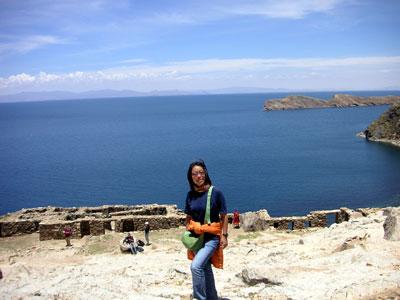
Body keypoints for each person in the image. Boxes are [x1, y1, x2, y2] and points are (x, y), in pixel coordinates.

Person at [184, 159, 228, 300]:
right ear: (191, 177)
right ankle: (212, 297)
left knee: (196, 267)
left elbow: (224, 215)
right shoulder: (190, 195)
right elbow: (188, 216)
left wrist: (224, 235)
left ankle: (199, 298)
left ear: (205, 174)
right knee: (206, 269)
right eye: (195, 174)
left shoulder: (216, 193)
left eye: (201, 173)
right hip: (196, 238)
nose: (198, 176)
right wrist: (188, 232)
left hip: (211, 239)